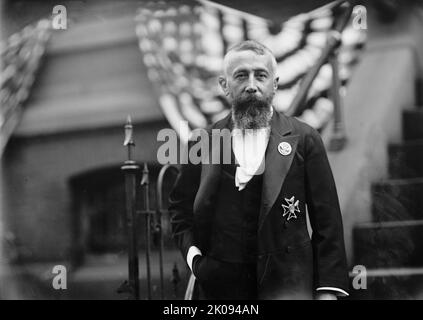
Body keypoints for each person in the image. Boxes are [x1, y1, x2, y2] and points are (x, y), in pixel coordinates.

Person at [168, 40, 349, 300]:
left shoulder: (305, 138)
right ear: (224, 85)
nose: (252, 85)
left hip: (288, 285)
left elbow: (328, 221)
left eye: (260, 75)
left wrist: (327, 290)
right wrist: (195, 258)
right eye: (241, 75)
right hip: (221, 291)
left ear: (274, 84)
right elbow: (179, 208)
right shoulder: (204, 142)